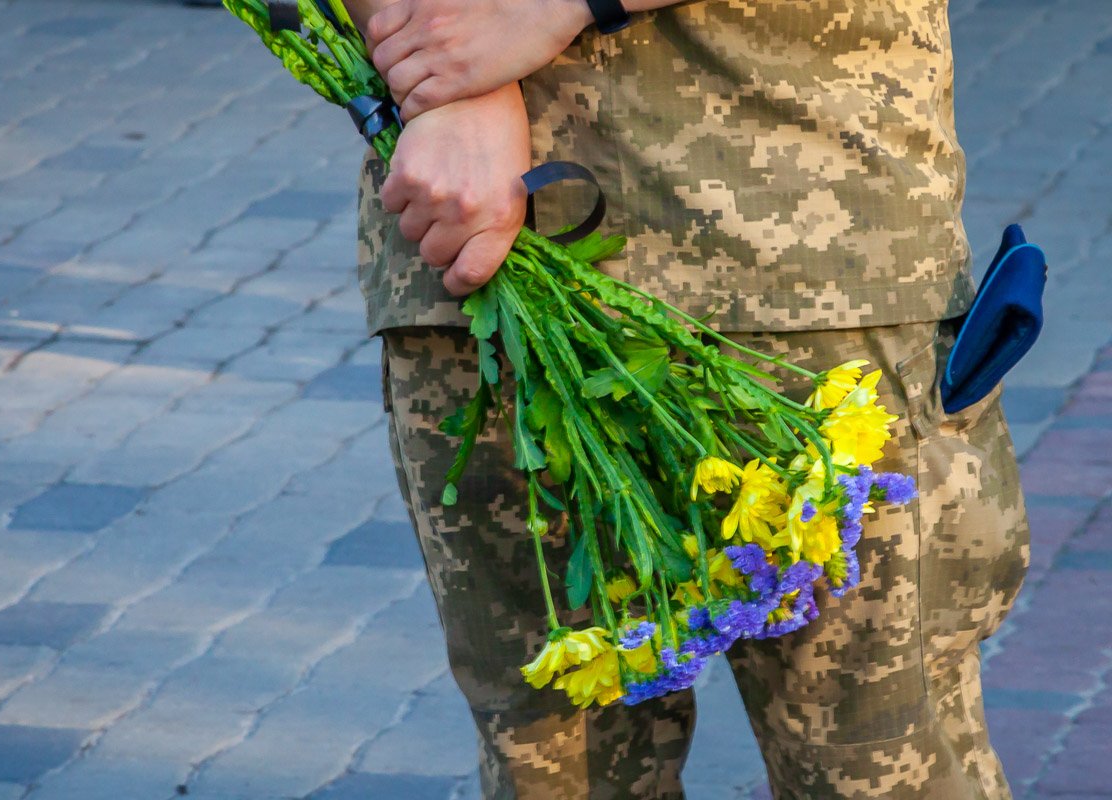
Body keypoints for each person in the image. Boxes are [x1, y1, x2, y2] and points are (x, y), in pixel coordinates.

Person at [342, 1, 1031, 797]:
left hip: (802, 263)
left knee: (876, 766)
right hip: (481, 250)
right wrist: (454, 83)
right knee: (558, 774)